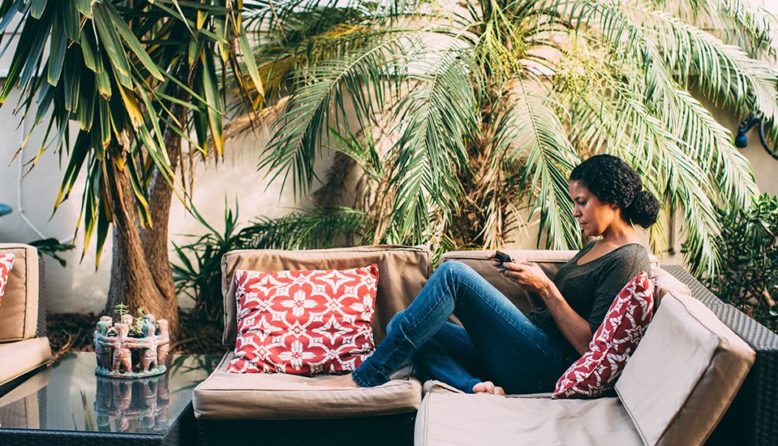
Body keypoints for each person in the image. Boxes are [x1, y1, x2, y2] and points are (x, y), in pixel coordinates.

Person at [315, 154, 659, 395]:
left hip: (547, 365)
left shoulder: (629, 260)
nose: (575, 212)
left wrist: (545, 288)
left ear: (611, 200)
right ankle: (474, 387)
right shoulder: (596, 245)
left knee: (453, 274)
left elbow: (589, 346)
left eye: (582, 202)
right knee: (404, 324)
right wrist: (529, 277)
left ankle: (367, 376)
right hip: (524, 348)